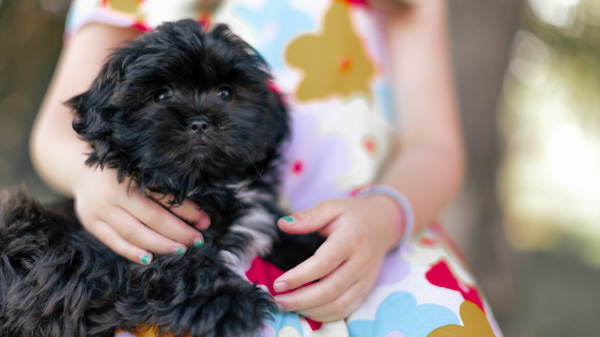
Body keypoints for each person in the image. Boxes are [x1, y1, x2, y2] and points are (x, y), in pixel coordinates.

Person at [30, 0, 503, 336]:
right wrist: (87, 178)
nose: (199, 118)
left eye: (225, 95)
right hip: (155, 226)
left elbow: (435, 148)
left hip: (374, 237)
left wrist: (385, 216)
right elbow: (59, 127)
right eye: (164, 96)